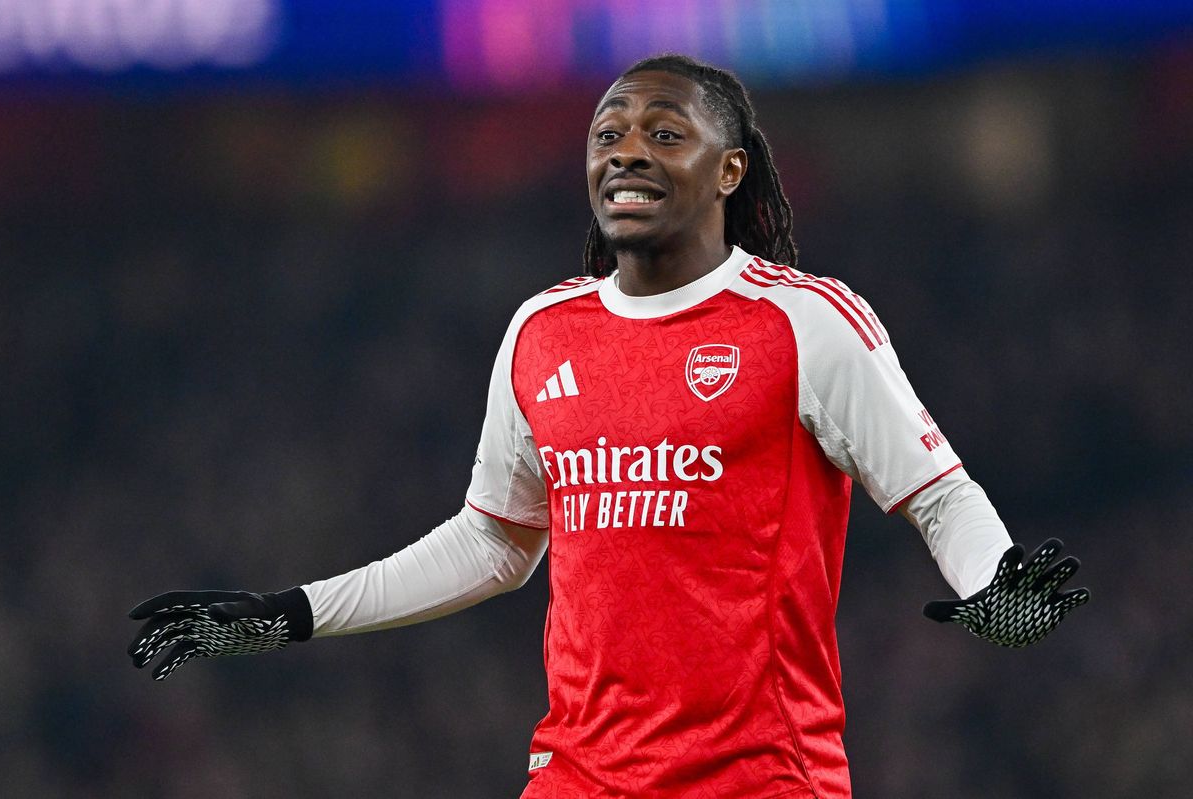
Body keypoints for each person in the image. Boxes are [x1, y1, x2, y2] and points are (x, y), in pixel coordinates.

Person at [129, 54, 1090, 798]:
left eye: (665, 132)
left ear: (730, 170)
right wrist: (291, 614)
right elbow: (495, 541)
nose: (626, 149)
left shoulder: (802, 323)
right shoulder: (543, 330)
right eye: (608, 132)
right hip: (579, 777)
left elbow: (940, 494)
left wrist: (997, 582)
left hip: (760, 780)